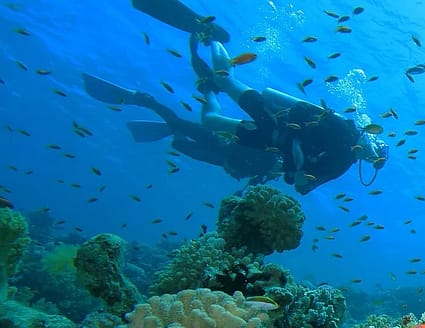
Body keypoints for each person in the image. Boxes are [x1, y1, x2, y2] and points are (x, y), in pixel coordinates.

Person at [131, 0, 389, 195]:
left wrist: (298, 170)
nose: (370, 156)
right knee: (225, 81)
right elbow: (303, 113)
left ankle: (208, 89)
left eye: (374, 160)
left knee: (211, 119)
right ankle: (212, 37)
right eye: (375, 153)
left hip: (268, 139)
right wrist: (297, 160)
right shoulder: (343, 131)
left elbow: (303, 185)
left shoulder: (342, 163)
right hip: (274, 118)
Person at [81, 73, 281, 186]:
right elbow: (246, 144)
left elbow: (252, 178)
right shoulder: (275, 151)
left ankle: (173, 128)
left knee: (178, 144)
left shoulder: (268, 171)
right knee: (177, 122)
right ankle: (146, 100)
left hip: (220, 158)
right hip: (218, 142)